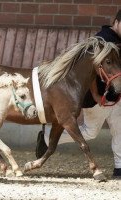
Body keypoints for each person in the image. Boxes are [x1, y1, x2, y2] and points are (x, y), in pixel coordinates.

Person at [36, 10, 121, 178]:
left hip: (114, 96)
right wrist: (96, 95)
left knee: (119, 129)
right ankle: (47, 138)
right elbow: (87, 73)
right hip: (97, 98)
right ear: (117, 21)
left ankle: (119, 167)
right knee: (91, 132)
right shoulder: (101, 40)